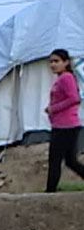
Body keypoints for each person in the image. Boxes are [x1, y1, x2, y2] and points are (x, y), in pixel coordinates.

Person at [44, 47, 84, 193]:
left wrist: (53, 109)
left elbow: (74, 98)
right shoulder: (62, 78)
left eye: (56, 61)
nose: (53, 65)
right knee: (70, 161)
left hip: (65, 126)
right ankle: (51, 190)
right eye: (51, 62)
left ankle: (50, 191)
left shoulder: (66, 77)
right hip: (64, 125)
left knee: (55, 160)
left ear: (66, 62)